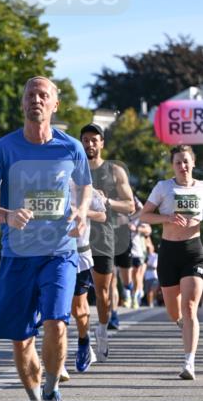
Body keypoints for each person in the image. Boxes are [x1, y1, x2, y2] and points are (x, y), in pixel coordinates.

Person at [0, 76, 91, 401]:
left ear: (55, 105)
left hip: (59, 252)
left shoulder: (71, 148)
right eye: (30, 95)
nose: (36, 100)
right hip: (17, 255)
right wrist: (6, 215)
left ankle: (53, 389)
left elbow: (85, 187)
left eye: (43, 95)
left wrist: (82, 211)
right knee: (21, 338)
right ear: (23, 103)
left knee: (58, 321)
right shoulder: (4, 149)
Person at [140, 144, 203, 380]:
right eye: (178, 162)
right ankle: (181, 324)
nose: (183, 166)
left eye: (186, 161)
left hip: (193, 252)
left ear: (193, 163)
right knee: (174, 312)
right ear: (172, 166)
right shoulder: (163, 187)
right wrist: (166, 217)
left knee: (190, 308)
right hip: (168, 252)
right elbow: (144, 215)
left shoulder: (202, 188)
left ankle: (189, 362)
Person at [80, 123, 135, 360]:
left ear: (102, 142)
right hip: (77, 237)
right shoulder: (74, 168)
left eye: (94, 140)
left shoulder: (114, 171)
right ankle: (83, 339)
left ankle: (101, 331)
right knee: (77, 295)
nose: (90, 144)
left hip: (103, 236)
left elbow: (131, 205)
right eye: (86, 140)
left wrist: (107, 202)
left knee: (102, 292)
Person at [70, 187, 107, 373]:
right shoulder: (49, 180)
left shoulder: (87, 189)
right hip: (51, 251)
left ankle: (84, 342)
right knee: (55, 308)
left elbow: (102, 216)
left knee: (77, 307)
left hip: (80, 253)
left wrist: (82, 211)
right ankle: (57, 364)